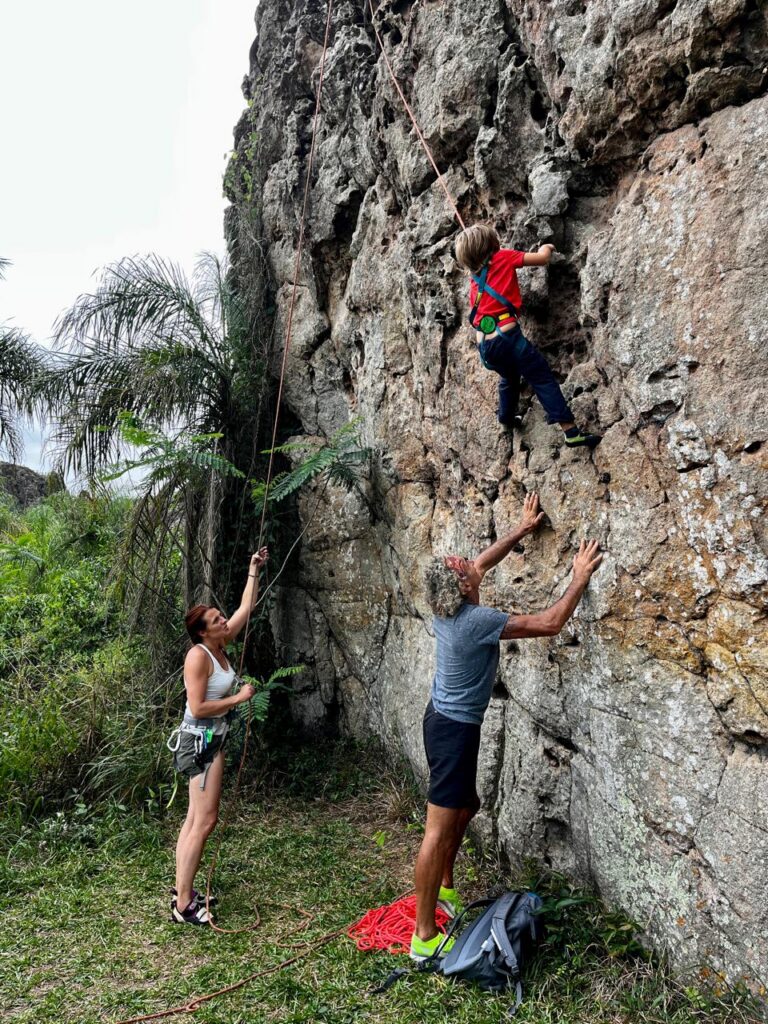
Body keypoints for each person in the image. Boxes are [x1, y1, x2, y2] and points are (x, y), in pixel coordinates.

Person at [411, 493, 602, 960]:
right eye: (462, 565)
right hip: (453, 732)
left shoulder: (447, 605)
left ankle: (446, 885)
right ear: (462, 586)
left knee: (467, 805)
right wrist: (579, 577)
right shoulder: (475, 620)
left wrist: (521, 529)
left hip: (443, 721)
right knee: (437, 830)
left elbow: (482, 562)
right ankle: (423, 936)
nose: (467, 561)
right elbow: (551, 623)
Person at [168, 548, 268, 925]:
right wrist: (238, 699)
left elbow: (246, 607)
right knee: (205, 821)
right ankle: (184, 906)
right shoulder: (199, 656)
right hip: (201, 742)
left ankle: (183, 889)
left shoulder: (220, 643)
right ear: (202, 631)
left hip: (210, 740)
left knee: (194, 818)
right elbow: (197, 706)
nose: (223, 620)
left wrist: (253, 569)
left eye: (220, 616)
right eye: (215, 619)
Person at [454, 223, 601, 449]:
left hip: (485, 346)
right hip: (508, 337)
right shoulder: (503, 257)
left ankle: (506, 418)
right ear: (492, 244)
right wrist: (546, 247)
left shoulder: (474, 278)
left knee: (509, 378)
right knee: (541, 377)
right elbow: (541, 259)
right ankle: (571, 431)